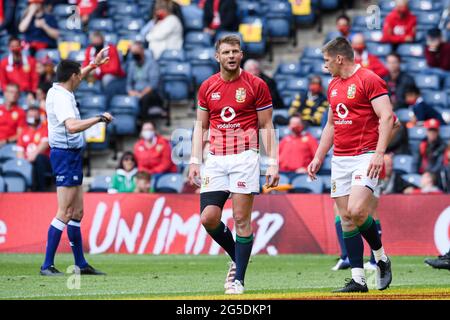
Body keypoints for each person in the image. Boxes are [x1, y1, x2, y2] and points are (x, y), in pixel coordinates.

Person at [188, 35, 279, 295]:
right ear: (217, 56)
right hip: (215, 158)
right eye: (226, 52)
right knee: (208, 218)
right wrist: (195, 159)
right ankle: (238, 256)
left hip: (245, 156)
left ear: (241, 55)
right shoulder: (207, 87)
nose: (231, 56)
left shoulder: (256, 85)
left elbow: (266, 125)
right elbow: (201, 126)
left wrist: (272, 162)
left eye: (235, 52)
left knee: (241, 218)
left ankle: (238, 279)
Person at [308, 37, 393, 292]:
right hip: (341, 158)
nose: (324, 66)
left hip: (366, 155)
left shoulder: (369, 79)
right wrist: (318, 156)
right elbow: (331, 126)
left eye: (326, 61)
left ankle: (381, 258)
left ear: (339, 58)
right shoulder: (333, 85)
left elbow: (388, 117)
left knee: (357, 211)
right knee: (346, 219)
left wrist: (379, 153)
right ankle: (358, 279)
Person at [40, 51, 113, 276]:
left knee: (78, 212)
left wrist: (94, 65)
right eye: (79, 75)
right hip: (64, 155)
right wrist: (99, 118)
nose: (81, 78)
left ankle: (80, 264)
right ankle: (47, 265)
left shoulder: (61, 87)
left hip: (71, 154)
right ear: (72, 76)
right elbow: (71, 126)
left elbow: (78, 74)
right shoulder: (61, 98)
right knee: (65, 211)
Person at [16, 106, 52, 191]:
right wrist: (24, 161)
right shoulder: (23, 132)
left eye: (35, 116)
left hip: (45, 162)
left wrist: (33, 156)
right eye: (30, 116)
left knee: (38, 158)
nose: (33, 118)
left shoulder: (45, 129)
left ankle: (41, 190)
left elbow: (44, 144)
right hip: (28, 161)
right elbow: (19, 152)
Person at [126, 41, 164, 120]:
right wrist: (131, 92)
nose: (134, 54)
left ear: (142, 51)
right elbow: (129, 83)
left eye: (136, 52)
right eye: (133, 52)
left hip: (152, 94)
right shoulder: (132, 64)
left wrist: (141, 94)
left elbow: (153, 84)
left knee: (145, 99)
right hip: (136, 93)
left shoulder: (152, 64)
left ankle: (144, 123)